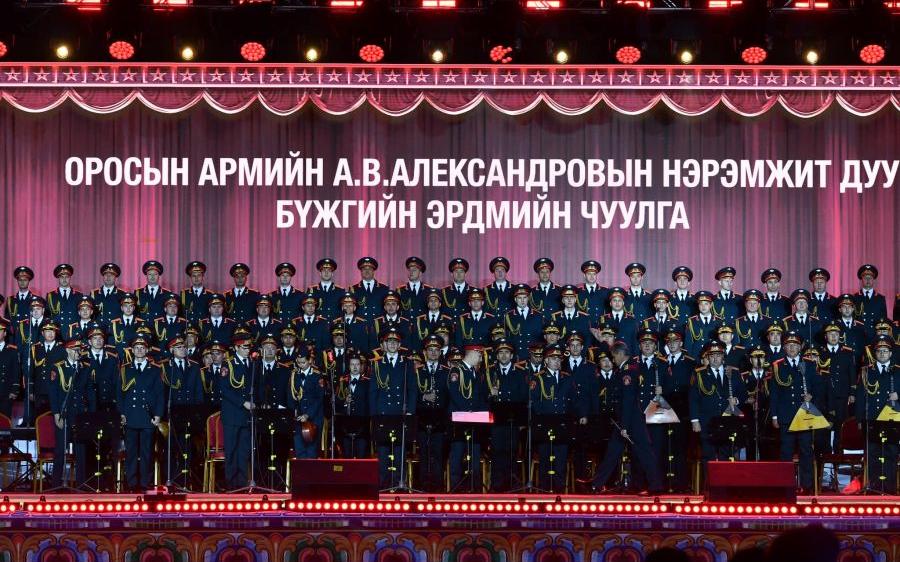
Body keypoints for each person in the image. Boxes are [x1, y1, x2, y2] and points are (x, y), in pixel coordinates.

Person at [589, 341, 662, 494]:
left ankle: (656, 486)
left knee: (644, 452)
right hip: (625, 419)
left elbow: (628, 400)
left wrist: (625, 426)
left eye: (614, 356)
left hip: (632, 420)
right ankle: (597, 484)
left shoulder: (628, 371)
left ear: (620, 354)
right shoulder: (626, 369)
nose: (613, 360)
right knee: (613, 452)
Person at [769, 331, 825, 494]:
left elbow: (819, 388)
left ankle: (807, 487)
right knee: (786, 452)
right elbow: (774, 393)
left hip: (805, 415)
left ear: (800, 348)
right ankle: (786, 487)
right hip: (786, 415)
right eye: (789, 345)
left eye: (795, 345)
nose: (792, 348)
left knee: (806, 451)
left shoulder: (810, 364)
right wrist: (774, 415)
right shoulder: (778, 365)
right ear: (784, 347)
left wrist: (811, 397)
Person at [368, 328, 417, 488]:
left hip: (400, 413)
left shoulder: (407, 363)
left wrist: (410, 411)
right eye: (389, 341)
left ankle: (399, 484)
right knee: (383, 451)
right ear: (383, 344)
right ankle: (383, 485)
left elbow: (412, 389)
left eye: (395, 342)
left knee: (399, 451)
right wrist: (374, 415)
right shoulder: (377, 364)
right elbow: (373, 392)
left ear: (399, 345)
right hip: (383, 413)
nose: (392, 344)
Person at [117, 335, 164, 492]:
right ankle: (131, 484)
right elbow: (119, 394)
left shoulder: (155, 369)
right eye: (136, 348)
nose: (139, 350)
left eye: (142, 348)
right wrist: (122, 413)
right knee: (131, 452)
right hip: (130, 416)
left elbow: (160, 395)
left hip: (148, 417)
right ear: (132, 350)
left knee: (146, 453)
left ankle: (145, 483)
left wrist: (158, 415)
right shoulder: (125, 369)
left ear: (147, 350)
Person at [855, 335, 899, 494]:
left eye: (885, 351)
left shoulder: (897, 371)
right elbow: (860, 397)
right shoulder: (866, 371)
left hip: (892, 420)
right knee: (873, 453)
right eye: (879, 351)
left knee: (891, 453)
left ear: (891, 353)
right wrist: (860, 419)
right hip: (872, 419)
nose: (882, 353)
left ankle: (889, 488)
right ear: (874, 353)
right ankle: (874, 487)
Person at [49, 338, 94, 488]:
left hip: (80, 414)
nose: (78, 353)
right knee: (60, 450)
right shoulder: (58, 367)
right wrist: (56, 414)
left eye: (80, 350)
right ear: (68, 350)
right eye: (75, 350)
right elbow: (53, 393)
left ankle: (81, 484)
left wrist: (90, 415)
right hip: (64, 413)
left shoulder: (85, 368)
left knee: (81, 450)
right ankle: (56, 484)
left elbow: (90, 392)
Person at [448, 343, 490, 492]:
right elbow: (454, 394)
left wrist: (482, 413)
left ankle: (474, 487)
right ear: (471, 354)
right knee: (457, 454)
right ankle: (456, 488)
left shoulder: (476, 372)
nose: (480, 359)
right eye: (479, 355)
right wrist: (469, 411)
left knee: (475, 454)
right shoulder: (456, 370)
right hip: (460, 420)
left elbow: (480, 396)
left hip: (475, 421)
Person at [487, 338, 527, 492]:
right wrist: (491, 395)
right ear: (497, 356)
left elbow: (523, 397)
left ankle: (512, 483)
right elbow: (483, 396)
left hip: (513, 420)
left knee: (512, 451)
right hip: (496, 420)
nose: (504, 356)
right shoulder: (490, 372)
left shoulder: (520, 373)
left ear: (512, 355)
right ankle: (496, 485)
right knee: (497, 452)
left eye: (507, 352)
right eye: (501, 353)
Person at [219, 333, 259, 490]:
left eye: (249, 347)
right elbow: (225, 389)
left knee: (243, 451)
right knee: (231, 451)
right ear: (236, 348)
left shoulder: (252, 363)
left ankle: (242, 484)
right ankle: (231, 484)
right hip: (232, 414)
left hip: (247, 415)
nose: (248, 350)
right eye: (244, 347)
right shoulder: (228, 364)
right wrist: (243, 402)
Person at [415, 335, 449, 491]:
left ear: (441, 352)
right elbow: (411, 395)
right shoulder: (417, 371)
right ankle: (423, 486)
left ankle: (438, 487)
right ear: (425, 352)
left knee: (438, 454)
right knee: (424, 454)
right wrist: (424, 397)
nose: (434, 353)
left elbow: (449, 397)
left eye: (436, 350)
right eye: (430, 350)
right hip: (422, 419)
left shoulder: (447, 372)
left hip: (440, 420)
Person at [287, 346, 325, 459]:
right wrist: (294, 414)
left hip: (313, 419)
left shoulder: (317, 375)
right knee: (299, 451)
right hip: (298, 419)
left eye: (303, 362)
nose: (300, 365)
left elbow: (319, 398)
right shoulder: (294, 375)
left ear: (309, 360)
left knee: (311, 452)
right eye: (298, 362)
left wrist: (308, 414)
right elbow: (290, 396)